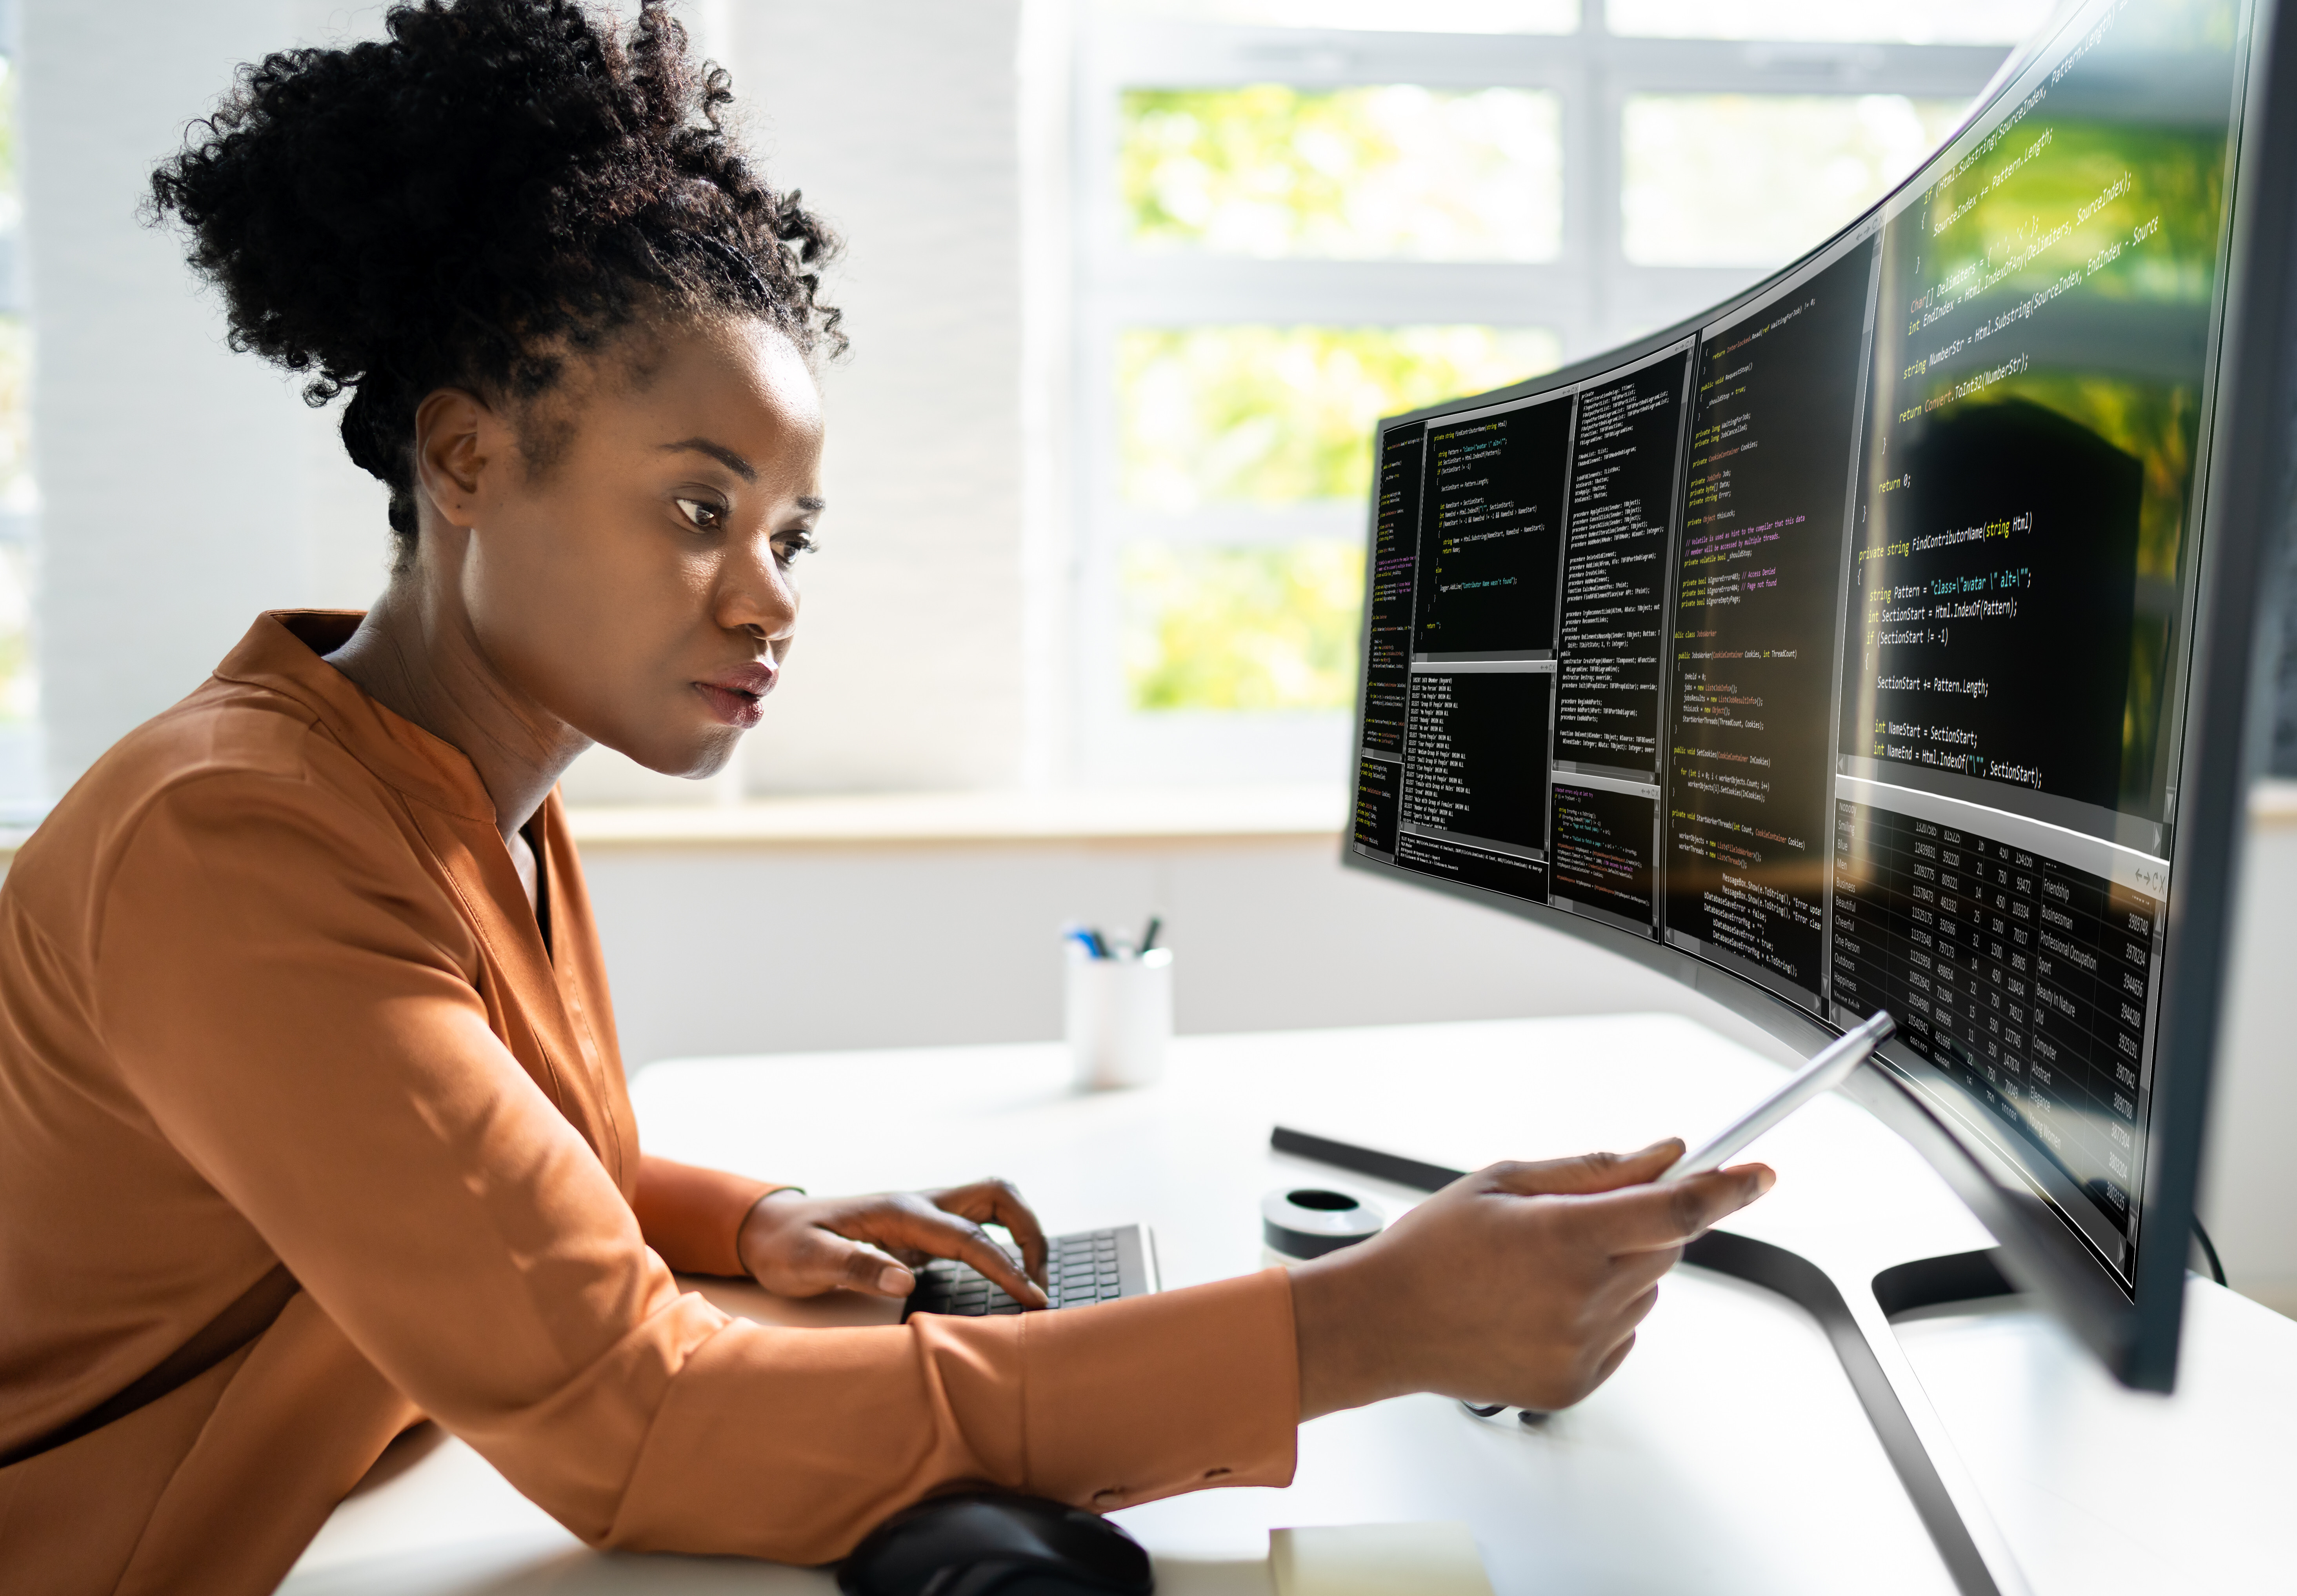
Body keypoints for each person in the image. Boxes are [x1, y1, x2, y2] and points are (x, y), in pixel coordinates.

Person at [0, 4, 1773, 1591]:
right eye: (701, 510)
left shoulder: (455, 789)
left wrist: (744, 1220)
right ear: (465, 459)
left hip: (363, 1505)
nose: (771, 597)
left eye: (790, 535)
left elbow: (482, 1172)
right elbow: (636, 1426)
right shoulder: (236, 843)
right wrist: (1359, 1324)